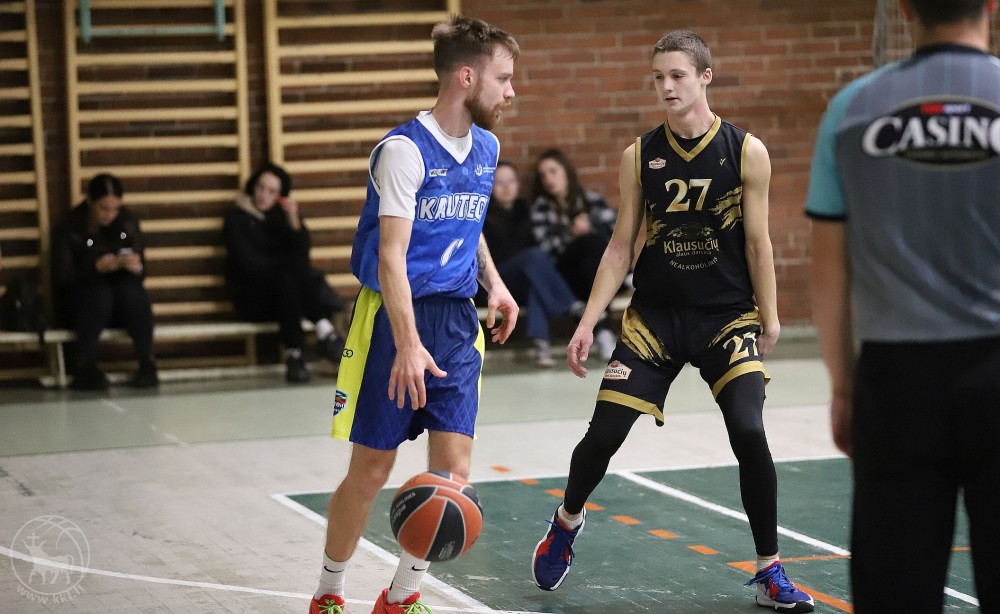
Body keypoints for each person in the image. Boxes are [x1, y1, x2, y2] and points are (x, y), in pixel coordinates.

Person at [529, 31, 815, 612]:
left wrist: (771, 316)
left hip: (726, 318)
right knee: (603, 435)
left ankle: (769, 569)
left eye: (677, 75)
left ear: (705, 76)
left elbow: (758, 243)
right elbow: (619, 247)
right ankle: (566, 521)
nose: (666, 86)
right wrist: (587, 322)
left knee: (750, 430)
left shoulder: (746, 150)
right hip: (654, 320)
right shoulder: (639, 156)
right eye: (658, 77)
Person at [308, 16, 519, 614]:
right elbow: (391, 256)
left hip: (456, 323)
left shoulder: (487, 148)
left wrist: (496, 285)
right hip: (393, 321)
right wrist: (406, 343)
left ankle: (401, 596)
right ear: (466, 77)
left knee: (453, 474)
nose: (510, 92)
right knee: (372, 469)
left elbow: (468, 225)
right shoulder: (403, 151)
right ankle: (328, 593)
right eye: (503, 79)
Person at [807, 1, 1000, 611]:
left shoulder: (851, 110)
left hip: (896, 385)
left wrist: (844, 385)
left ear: (905, 7)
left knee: (896, 593)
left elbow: (828, 269)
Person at [222, 163, 346, 384]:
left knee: (288, 282)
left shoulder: (281, 218)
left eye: (271, 191)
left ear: (280, 196)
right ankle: (324, 330)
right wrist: (286, 268)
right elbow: (248, 264)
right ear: (253, 187)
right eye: (261, 187)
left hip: (286, 298)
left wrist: (294, 223)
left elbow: (302, 255)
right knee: (288, 278)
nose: (264, 195)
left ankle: (294, 354)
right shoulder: (235, 218)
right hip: (252, 298)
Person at [51, 173, 158, 390]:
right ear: (90, 201)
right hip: (81, 305)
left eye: (115, 209)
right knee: (99, 293)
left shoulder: (126, 222)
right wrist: (94, 268)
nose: (110, 215)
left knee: (133, 291)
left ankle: (147, 361)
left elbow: (142, 269)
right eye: (103, 208)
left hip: (119, 303)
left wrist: (133, 266)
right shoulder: (70, 226)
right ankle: (85, 364)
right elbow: (62, 277)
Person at [483, 160, 581, 367]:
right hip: (493, 281)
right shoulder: (484, 214)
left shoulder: (525, 210)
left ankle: (541, 345)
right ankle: (570, 306)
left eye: (511, 181)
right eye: (499, 182)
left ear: (518, 184)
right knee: (533, 256)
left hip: (520, 282)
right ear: (490, 185)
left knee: (535, 285)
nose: (506, 187)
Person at [530, 148, 618, 361]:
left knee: (592, 252)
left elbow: (616, 235)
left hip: (593, 271)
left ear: (566, 172)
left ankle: (603, 332)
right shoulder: (542, 208)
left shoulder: (592, 201)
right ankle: (604, 331)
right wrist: (571, 233)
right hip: (563, 276)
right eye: (543, 175)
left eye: (553, 171)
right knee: (589, 243)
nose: (548, 179)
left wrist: (590, 227)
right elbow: (544, 251)